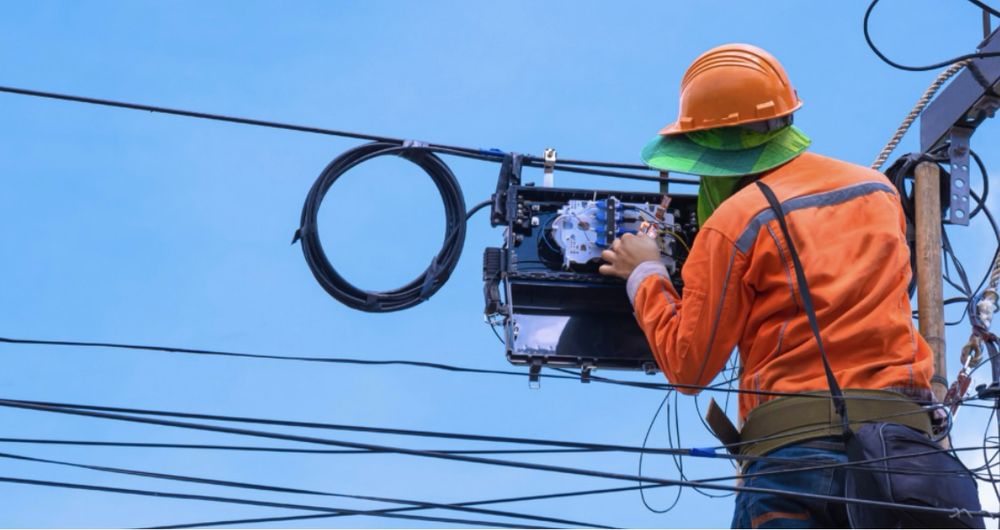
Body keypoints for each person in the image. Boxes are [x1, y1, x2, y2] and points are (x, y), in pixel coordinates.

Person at [598, 43, 939, 528]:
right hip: (904, 456)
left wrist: (645, 272)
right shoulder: (877, 191)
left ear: (712, 149)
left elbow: (689, 365)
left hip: (795, 461)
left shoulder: (735, 223)